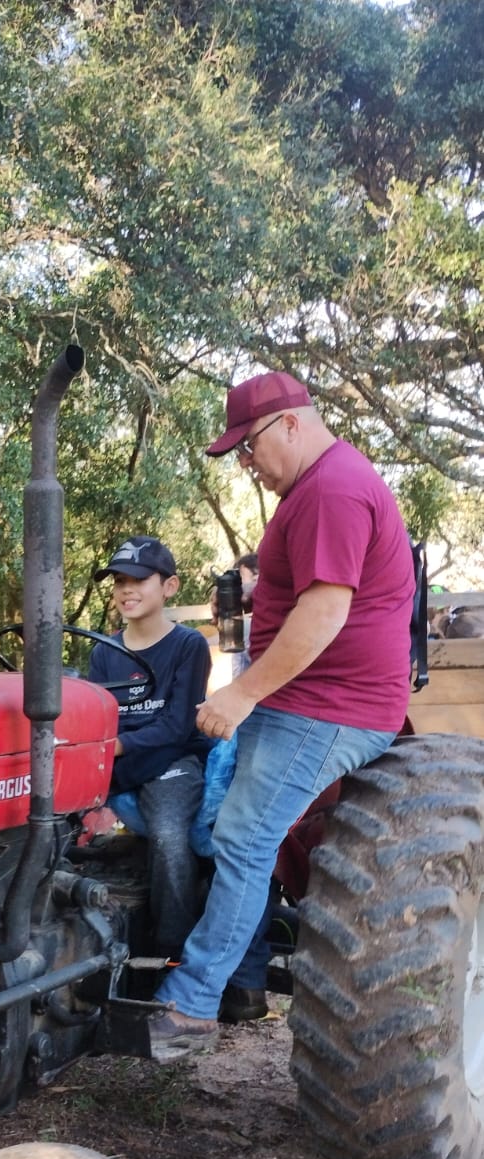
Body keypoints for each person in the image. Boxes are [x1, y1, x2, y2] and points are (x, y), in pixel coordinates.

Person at [150, 370, 416, 1062]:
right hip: (304, 699)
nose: (246, 463)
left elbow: (324, 613)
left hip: (328, 706)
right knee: (233, 831)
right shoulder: (319, 486)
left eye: (248, 447)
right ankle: (224, 981)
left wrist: (240, 693)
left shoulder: (331, 488)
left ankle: (191, 1004)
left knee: (244, 838)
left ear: (290, 424)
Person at [89, 538, 211, 958]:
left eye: (139, 579)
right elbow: (98, 716)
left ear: (169, 587)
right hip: (119, 760)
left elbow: (177, 727)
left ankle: (172, 951)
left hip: (170, 760)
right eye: (119, 581)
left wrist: (117, 746)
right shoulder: (104, 651)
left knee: (168, 836)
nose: (127, 589)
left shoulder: (188, 646)